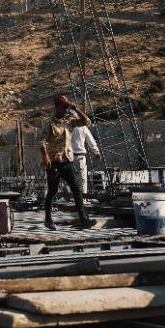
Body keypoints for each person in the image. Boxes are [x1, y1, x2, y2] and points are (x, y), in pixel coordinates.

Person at [39, 95, 90, 230]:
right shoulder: (49, 123)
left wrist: (75, 109)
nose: (66, 110)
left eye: (67, 107)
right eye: (63, 107)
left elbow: (86, 122)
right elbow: (42, 141)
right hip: (54, 162)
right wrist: (45, 156)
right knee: (52, 191)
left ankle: (83, 218)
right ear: (57, 107)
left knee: (76, 189)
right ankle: (48, 219)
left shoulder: (69, 121)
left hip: (67, 161)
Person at [69, 122, 102, 195]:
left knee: (70, 180)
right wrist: (96, 152)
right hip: (80, 157)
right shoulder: (83, 127)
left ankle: (71, 197)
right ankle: (82, 198)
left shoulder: (66, 126)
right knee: (82, 180)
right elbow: (91, 141)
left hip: (68, 157)